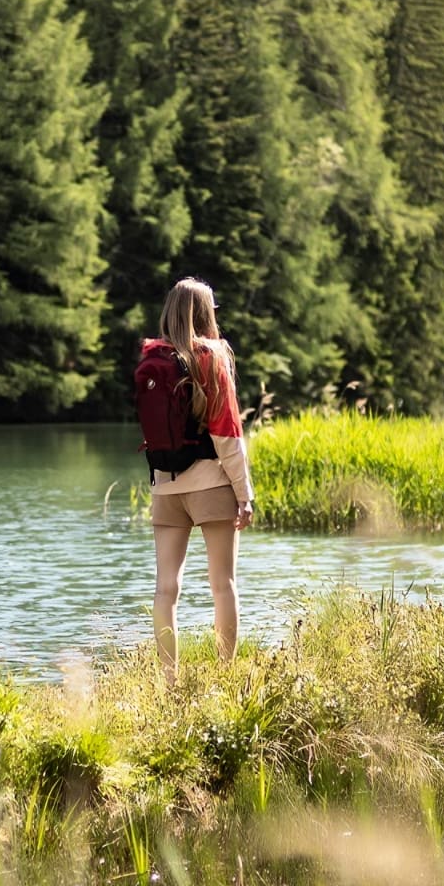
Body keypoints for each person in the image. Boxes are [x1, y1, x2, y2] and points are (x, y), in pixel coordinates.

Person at [135, 277, 253, 673]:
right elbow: (227, 435)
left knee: (165, 589)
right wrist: (244, 493)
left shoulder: (152, 358)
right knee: (223, 585)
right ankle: (225, 675)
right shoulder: (212, 357)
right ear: (207, 315)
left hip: (165, 488)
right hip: (210, 485)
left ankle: (170, 680)